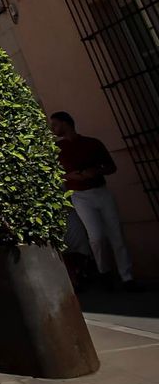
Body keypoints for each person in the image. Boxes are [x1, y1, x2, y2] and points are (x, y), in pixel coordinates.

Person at [50, 111, 136, 291]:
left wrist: (95, 171)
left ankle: (127, 277)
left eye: (55, 124)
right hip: (79, 195)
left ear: (65, 124)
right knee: (96, 236)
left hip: (100, 191)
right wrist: (69, 176)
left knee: (116, 234)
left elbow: (111, 167)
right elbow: (53, 174)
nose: (52, 129)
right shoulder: (57, 149)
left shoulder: (92, 143)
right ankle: (104, 271)